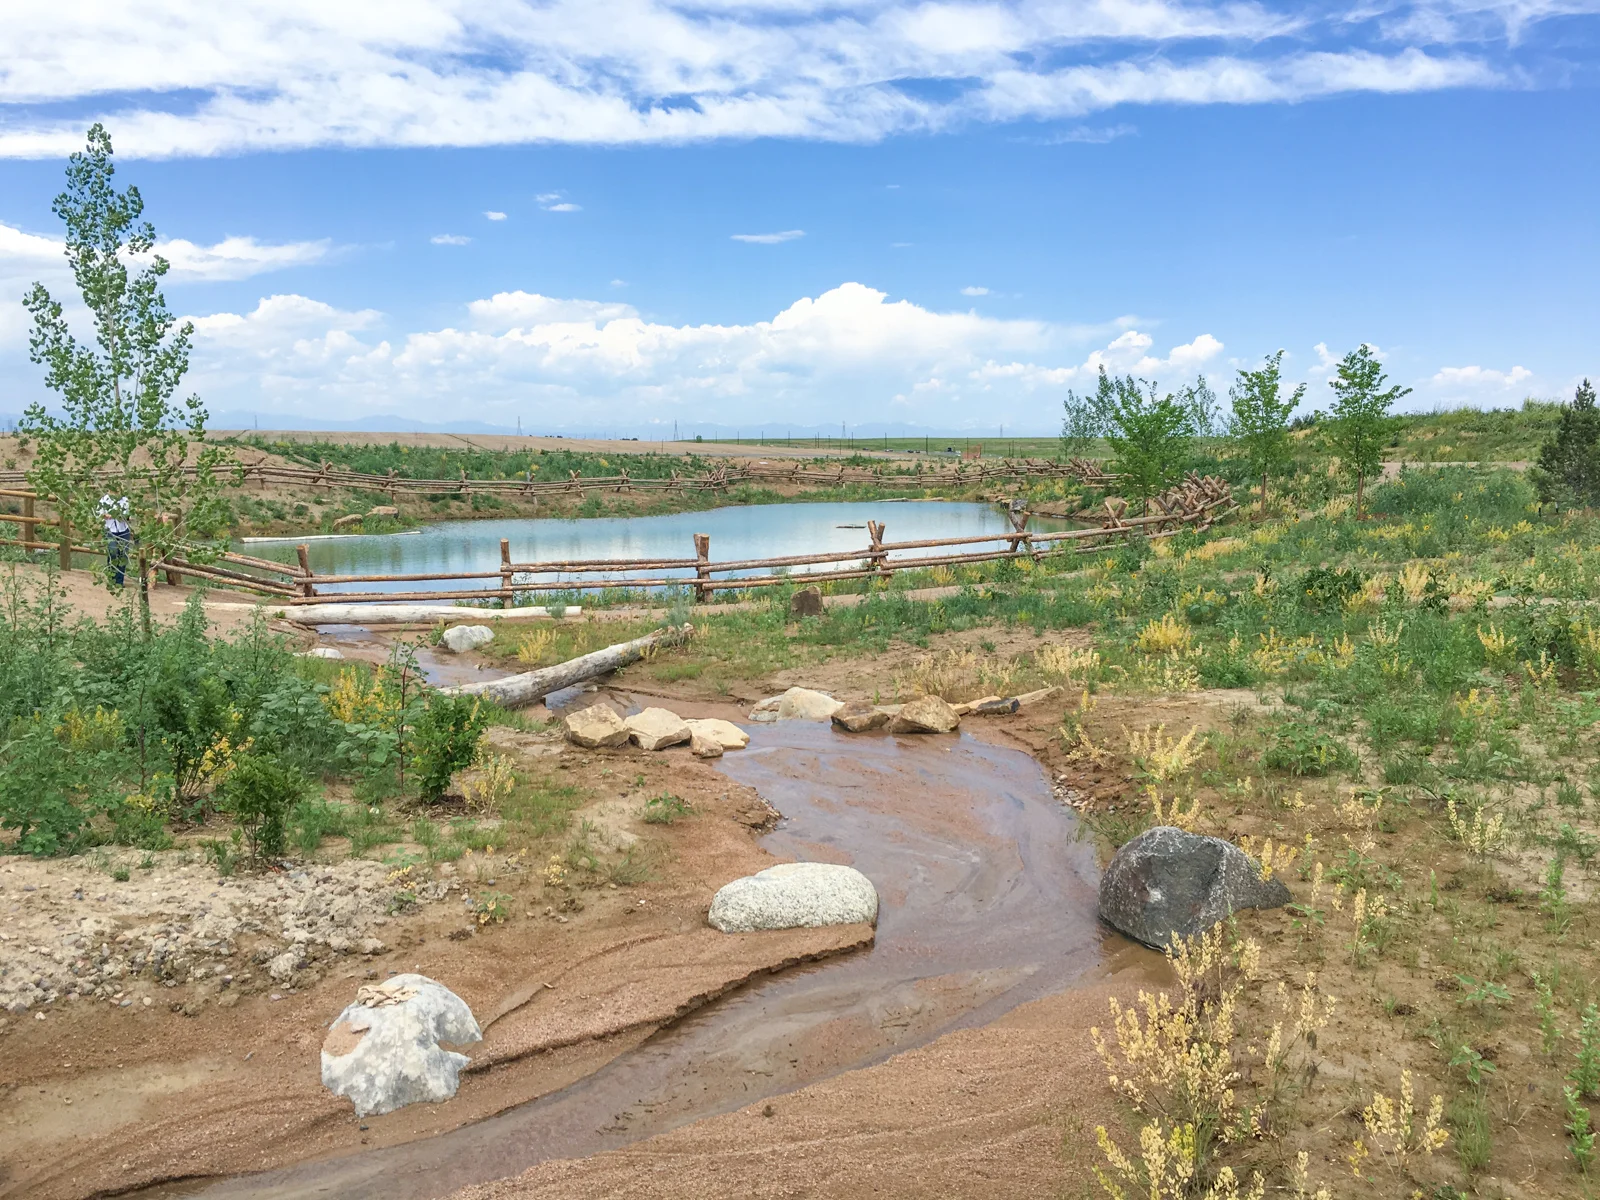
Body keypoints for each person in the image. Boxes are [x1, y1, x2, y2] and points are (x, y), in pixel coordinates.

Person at [99, 494, 132, 586]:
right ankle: (112, 579)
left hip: (123, 530)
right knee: (113, 553)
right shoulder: (104, 500)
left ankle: (119, 581)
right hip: (110, 530)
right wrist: (107, 516)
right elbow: (99, 514)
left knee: (123, 555)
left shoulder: (125, 500)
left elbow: (128, 515)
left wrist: (124, 517)